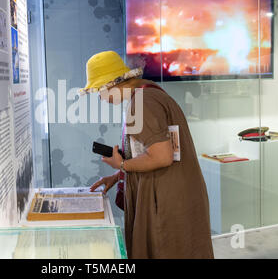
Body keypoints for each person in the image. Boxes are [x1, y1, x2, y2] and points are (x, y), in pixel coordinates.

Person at [81, 51, 214, 259]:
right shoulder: (147, 94)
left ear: (111, 84)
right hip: (170, 192)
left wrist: (122, 166)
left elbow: (162, 157)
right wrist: (117, 177)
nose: (99, 97)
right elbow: (148, 151)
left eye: (98, 90)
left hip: (166, 199)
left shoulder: (142, 102)